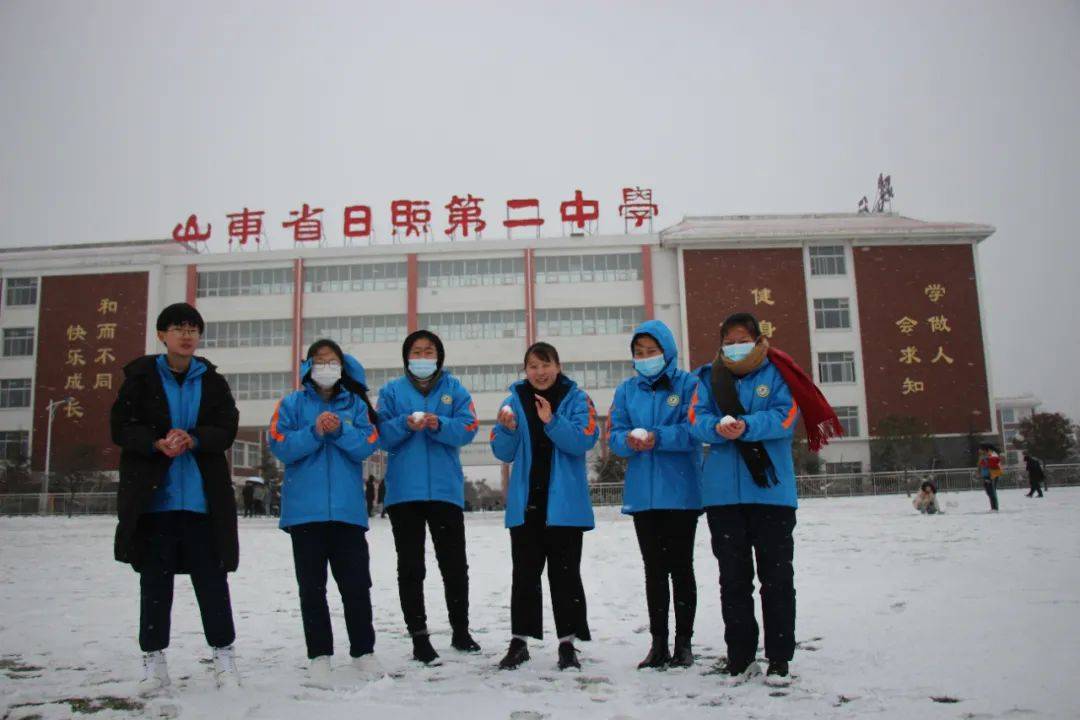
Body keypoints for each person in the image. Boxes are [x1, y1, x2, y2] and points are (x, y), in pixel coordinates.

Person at [690, 312, 842, 684]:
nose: (735, 346)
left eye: (742, 338)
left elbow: (785, 417)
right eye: (729, 340)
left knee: (776, 578)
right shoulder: (710, 378)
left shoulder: (777, 374)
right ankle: (740, 657)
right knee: (733, 580)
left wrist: (747, 427)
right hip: (723, 496)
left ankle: (779, 658)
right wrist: (717, 427)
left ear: (758, 340)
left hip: (771, 495)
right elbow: (696, 418)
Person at [110, 302, 242, 693]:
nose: (186, 335)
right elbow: (120, 427)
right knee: (155, 584)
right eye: (177, 328)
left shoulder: (212, 380)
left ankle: (223, 655)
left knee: (212, 582)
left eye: (192, 328)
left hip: (203, 503)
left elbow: (227, 427)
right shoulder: (140, 378)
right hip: (155, 503)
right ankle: (154, 659)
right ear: (161, 335)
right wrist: (155, 443)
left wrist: (195, 437)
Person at [268, 339, 383, 685]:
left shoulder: (356, 406)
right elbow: (280, 445)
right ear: (308, 366)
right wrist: (315, 431)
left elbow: (368, 444)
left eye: (332, 361)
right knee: (312, 588)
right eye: (320, 361)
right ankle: (319, 654)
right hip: (305, 514)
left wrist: (341, 429)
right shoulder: (291, 404)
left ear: (342, 366)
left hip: (347, 513)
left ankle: (364, 651)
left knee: (356, 585)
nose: (326, 366)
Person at [491, 341, 599, 671]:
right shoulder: (514, 400)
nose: (540, 372)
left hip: (565, 507)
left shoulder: (577, 399)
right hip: (527, 506)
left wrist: (552, 421)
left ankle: (568, 644)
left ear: (558, 366)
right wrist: (507, 430)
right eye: (533, 366)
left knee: (565, 577)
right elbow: (503, 452)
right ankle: (519, 641)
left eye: (546, 364)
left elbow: (583, 440)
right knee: (524, 576)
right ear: (525, 370)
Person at [376, 330, 482, 665]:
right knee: (411, 566)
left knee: (454, 565)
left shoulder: (455, 389)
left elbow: (468, 429)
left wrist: (439, 424)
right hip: (404, 492)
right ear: (407, 357)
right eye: (417, 351)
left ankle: (460, 630)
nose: (423, 357)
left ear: (439, 356)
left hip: (445, 491)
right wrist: (405, 425)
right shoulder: (391, 392)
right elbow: (380, 435)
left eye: (429, 351)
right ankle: (419, 637)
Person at [607, 320, 702, 670]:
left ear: (667, 351)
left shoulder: (689, 384)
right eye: (639, 353)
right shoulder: (627, 390)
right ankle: (658, 643)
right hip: (643, 496)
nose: (646, 358)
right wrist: (627, 441)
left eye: (652, 351)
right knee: (654, 571)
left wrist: (658, 437)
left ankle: (685, 643)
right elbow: (614, 434)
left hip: (680, 493)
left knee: (681, 568)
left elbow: (695, 429)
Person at [977, 444, 1003, 511]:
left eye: (980, 449)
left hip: (991, 475)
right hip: (986, 475)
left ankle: (994, 508)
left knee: (992, 491)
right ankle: (993, 507)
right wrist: (979, 472)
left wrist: (985, 462)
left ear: (985, 449)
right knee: (989, 491)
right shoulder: (982, 456)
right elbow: (980, 466)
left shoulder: (991, 455)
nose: (979, 450)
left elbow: (993, 464)